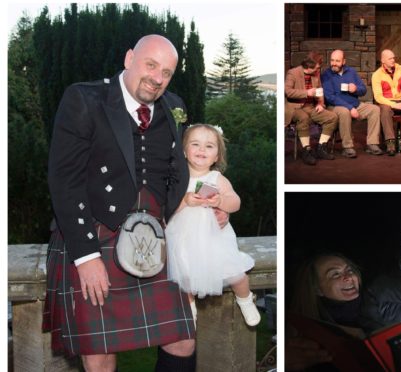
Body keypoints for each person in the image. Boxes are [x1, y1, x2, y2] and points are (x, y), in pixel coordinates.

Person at [43, 35, 226, 371]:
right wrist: (86, 256)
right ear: (129, 59)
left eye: (167, 72)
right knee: (99, 355)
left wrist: (201, 208)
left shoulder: (173, 104)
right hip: (95, 232)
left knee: (183, 340)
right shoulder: (85, 98)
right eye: (151, 65)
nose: (157, 78)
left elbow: (179, 171)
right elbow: (64, 181)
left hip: (156, 237)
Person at [165, 124, 261, 327]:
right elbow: (167, 210)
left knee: (236, 274)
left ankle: (245, 299)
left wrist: (219, 202)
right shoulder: (176, 180)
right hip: (184, 241)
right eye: (195, 144)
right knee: (186, 279)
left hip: (213, 241)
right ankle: (189, 312)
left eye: (209, 146)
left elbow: (235, 202)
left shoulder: (217, 179)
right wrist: (185, 201)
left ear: (217, 156)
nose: (201, 150)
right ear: (184, 150)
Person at [287, 253, 381, 371]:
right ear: (317, 289)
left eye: (350, 270)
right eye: (335, 274)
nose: (348, 277)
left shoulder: (380, 305)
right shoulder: (310, 332)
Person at [321, 49, 383, 158]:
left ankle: (372, 143)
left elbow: (363, 90)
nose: (334, 63)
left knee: (374, 109)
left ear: (343, 61)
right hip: (335, 106)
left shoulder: (351, 72)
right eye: (332, 60)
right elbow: (330, 97)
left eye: (337, 61)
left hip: (355, 105)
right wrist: (350, 108)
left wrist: (355, 89)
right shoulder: (326, 75)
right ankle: (347, 147)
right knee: (344, 112)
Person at [285, 51, 339, 166]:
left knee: (332, 117)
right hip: (295, 107)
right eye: (317, 66)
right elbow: (288, 92)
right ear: (309, 67)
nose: (319, 68)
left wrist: (320, 104)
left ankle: (321, 147)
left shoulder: (316, 74)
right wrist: (306, 93)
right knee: (303, 118)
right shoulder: (293, 73)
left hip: (310, 106)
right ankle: (306, 150)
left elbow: (320, 91)